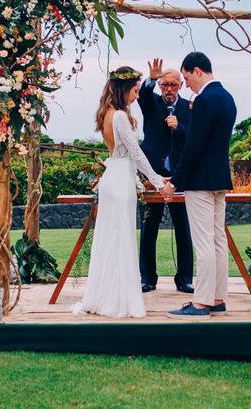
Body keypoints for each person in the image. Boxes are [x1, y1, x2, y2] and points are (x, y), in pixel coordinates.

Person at [72, 66, 166, 318]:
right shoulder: (121, 117)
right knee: (121, 239)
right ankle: (117, 301)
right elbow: (136, 153)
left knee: (110, 240)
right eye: (135, 91)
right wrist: (157, 181)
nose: (137, 96)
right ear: (124, 89)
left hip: (113, 176)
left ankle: (104, 296)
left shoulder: (106, 114)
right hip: (121, 179)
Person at [160, 52, 237, 319]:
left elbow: (194, 146)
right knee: (217, 241)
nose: (186, 83)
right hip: (219, 180)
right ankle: (218, 298)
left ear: (197, 70)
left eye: (186, 77)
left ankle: (202, 303)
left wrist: (176, 182)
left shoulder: (205, 99)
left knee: (204, 242)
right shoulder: (227, 98)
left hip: (200, 183)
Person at [138, 58, 194, 294]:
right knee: (149, 228)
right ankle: (147, 279)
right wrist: (151, 78)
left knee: (183, 229)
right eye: (164, 85)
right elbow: (142, 94)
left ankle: (184, 280)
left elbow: (193, 138)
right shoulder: (151, 103)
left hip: (179, 177)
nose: (169, 89)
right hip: (154, 176)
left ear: (181, 85)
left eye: (173, 84)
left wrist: (178, 126)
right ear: (160, 86)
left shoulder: (189, 108)